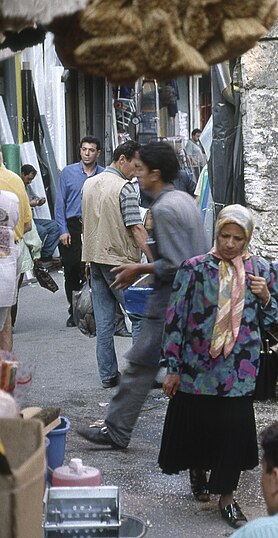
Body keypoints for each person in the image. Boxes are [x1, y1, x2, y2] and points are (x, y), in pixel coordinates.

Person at [158, 204, 278, 529]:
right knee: (200, 426)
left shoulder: (262, 270)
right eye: (224, 236)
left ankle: (227, 497)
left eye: (237, 239)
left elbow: (272, 319)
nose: (229, 244)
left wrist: (266, 297)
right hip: (196, 367)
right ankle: (198, 469)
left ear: (248, 238)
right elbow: (175, 320)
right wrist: (171, 367)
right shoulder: (195, 269)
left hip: (238, 368)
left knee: (232, 431)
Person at [77, 142, 208, 449]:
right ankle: (119, 428)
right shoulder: (184, 200)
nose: (136, 176)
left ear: (155, 174)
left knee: (142, 364)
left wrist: (140, 267)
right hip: (190, 298)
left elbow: (177, 265)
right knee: (146, 365)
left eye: (140, 170)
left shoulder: (164, 208)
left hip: (172, 301)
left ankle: (122, 430)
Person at [82, 140, 151, 388]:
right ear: (122, 159)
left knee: (104, 322)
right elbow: (137, 229)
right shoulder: (124, 188)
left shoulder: (89, 184)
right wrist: (155, 261)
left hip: (95, 258)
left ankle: (108, 375)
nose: (137, 170)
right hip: (119, 261)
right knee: (140, 315)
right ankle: (138, 375)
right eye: (135, 165)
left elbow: (87, 223)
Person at [56, 135, 104, 327]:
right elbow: (60, 203)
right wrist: (63, 230)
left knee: (93, 269)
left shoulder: (103, 175)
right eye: (84, 149)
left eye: (91, 150)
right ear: (80, 150)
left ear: (98, 153)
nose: (87, 153)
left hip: (94, 225)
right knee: (71, 269)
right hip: (72, 227)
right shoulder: (68, 173)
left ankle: (92, 310)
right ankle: (73, 310)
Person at [0, 156, 32, 350]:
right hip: (10, 254)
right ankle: (6, 378)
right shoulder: (14, 181)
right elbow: (27, 224)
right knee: (5, 322)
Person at [20, 164, 60, 265]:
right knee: (41, 231)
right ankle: (34, 257)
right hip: (24, 221)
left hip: (32, 220)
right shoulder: (18, 186)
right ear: (23, 174)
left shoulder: (28, 187)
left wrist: (40, 200)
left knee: (55, 226)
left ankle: (46, 255)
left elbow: (35, 198)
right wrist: (30, 203)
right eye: (28, 179)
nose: (29, 182)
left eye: (31, 180)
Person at [0, 190, 20, 351]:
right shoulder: (11, 199)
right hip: (5, 274)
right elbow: (24, 224)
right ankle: (6, 376)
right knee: (5, 326)